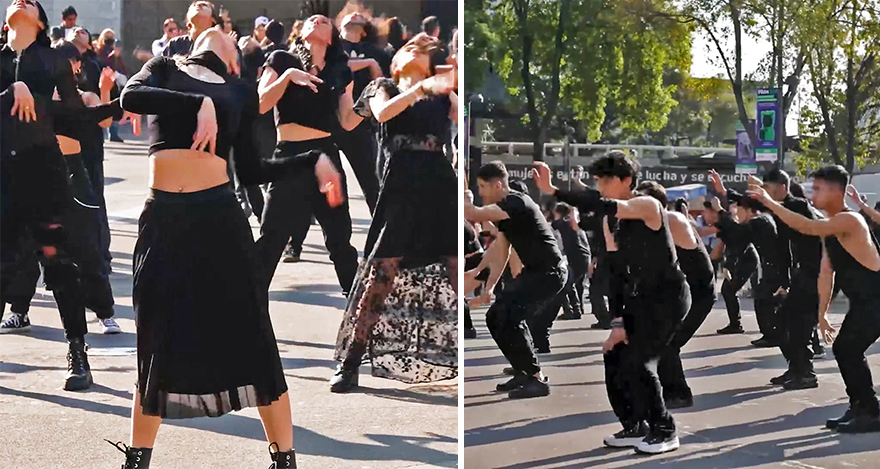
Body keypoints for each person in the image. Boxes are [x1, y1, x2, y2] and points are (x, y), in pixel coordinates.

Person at [114, 26, 341, 468]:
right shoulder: (164, 68)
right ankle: (138, 459)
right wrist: (198, 103)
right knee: (155, 336)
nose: (223, 32)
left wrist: (312, 160)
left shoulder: (239, 90)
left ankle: (285, 458)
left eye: (231, 36)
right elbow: (131, 97)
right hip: (163, 220)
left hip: (219, 220)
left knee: (252, 336)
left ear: (236, 56)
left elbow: (253, 170)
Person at [533, 152, 690, 454]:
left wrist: (554, 190)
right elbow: (617, 273)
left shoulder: (647, 205)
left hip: (669, 297)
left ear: (627, 181)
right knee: (614, 352)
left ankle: (665, 429)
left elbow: (599, 203)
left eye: (606, 180)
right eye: (598, 180)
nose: (601, 186)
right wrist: (618, 322)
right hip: (640, 298)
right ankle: (634, 425)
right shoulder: (615, 222)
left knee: (640, 360)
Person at [331, 32, 458, 393]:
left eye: (425, 50)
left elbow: (459, 118)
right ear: (398, 59)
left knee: (453, 266)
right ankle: (351, 360)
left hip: (439, 182)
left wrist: (450, 79)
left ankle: (465, 354)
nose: (417, 51)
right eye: (411, 48)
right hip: (401, 183)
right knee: (382, 273)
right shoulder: (382, 87)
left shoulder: (440, 91)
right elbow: (376, 114)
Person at [0, 0, 111, 392]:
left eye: (31, 2)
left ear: (41, 22)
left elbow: (73, 116)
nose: (21, 1)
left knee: (57, 259)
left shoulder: (52, 60)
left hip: (43, 171)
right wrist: (12, 88)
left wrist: (114, 103)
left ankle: (77, 353)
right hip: (2, 174)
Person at [747, 166, 880, 433]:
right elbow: (826, 272)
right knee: (844, 349)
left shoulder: (850, 220)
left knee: (848, 349)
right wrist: (822, 314)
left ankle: (870, 410)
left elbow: (806, 225)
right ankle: (861, 405)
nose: (812, 193)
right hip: (864, 302)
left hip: (877, 300)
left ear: (836, 191)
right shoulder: (830, 227)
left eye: (818, 188)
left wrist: (770, 202)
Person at [256, 14, 360, 296]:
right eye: (311, 20)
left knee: (340, 238)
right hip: (289, 156)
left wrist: (371, 105)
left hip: (325, 158)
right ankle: (248, 304)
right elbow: (262, 103)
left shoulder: (340, 70)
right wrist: (289, 77)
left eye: (324, 21)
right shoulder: (281, 60)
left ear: (331, 37)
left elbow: (347, 120)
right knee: (272, 236)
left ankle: (359, 311)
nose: (316, 20)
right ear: (301, 33)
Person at [464, 161, 566, 399]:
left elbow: (472, 214)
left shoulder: (515, 203)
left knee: (510, 316)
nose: (480, 192)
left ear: (498, 185)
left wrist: (461, 191)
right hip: (536, 272)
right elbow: (501, 251)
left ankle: (536, 378)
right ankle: (523, 371)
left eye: (482, 187)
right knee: (495, 317)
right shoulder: (506, 210)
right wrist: (488, 286)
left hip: (550, 273)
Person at [720, 169, 824, 390]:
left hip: (813, 275)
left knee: (798, 326)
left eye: (768, 188)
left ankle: (805, 373)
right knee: (782, 325)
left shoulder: (798, 206)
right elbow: (758, 205)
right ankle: (796, 368)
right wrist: (726, 193)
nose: (764, 193)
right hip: (798, 274)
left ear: (782, 188)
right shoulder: (776, 208)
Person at [637, 182, 716, 410]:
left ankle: (679, 394)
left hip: (699, 293)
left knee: (668, 343)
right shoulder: (654, 223)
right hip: (679, 292)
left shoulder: (671, 221)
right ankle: (664, 391)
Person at [709, 170, 789, 348]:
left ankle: (774, 335)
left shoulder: (759, 221)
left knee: (765, 298)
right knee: (765, 298)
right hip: (772, 267)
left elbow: (737, 233)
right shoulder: (763, 216)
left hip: (776, 268)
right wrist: (724, 191)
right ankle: (774, 334)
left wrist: (721, 211)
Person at [702, 199, 758, 335]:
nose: (703, 216)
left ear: (713, 212)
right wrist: (707, 262)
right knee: (728, 290)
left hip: (745, 259)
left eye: (705, 212)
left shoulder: (727, 222)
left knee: (728, 290)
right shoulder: (720, 224)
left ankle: (736, 324)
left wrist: (729, 265)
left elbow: (735, 244)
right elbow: (720, 246)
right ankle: (735, 323)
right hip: (738, 259)